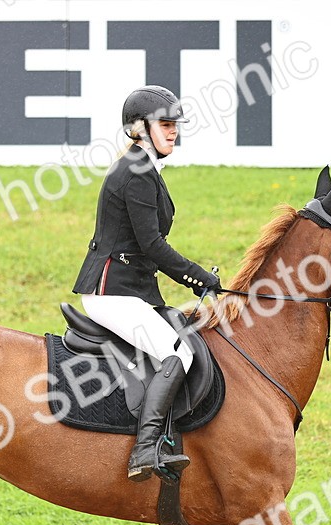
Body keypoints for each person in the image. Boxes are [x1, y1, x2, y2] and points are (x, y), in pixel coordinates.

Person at [72, 85, 221, 482]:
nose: (174, 132)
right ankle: (144, 450)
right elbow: (153, 245)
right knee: (179, 354)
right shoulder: (136, 172)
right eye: (166, 125)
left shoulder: (145, 166)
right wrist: (199, 277)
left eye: (175, 125)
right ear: (139, 129)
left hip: (129, 289)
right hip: (111, 292)